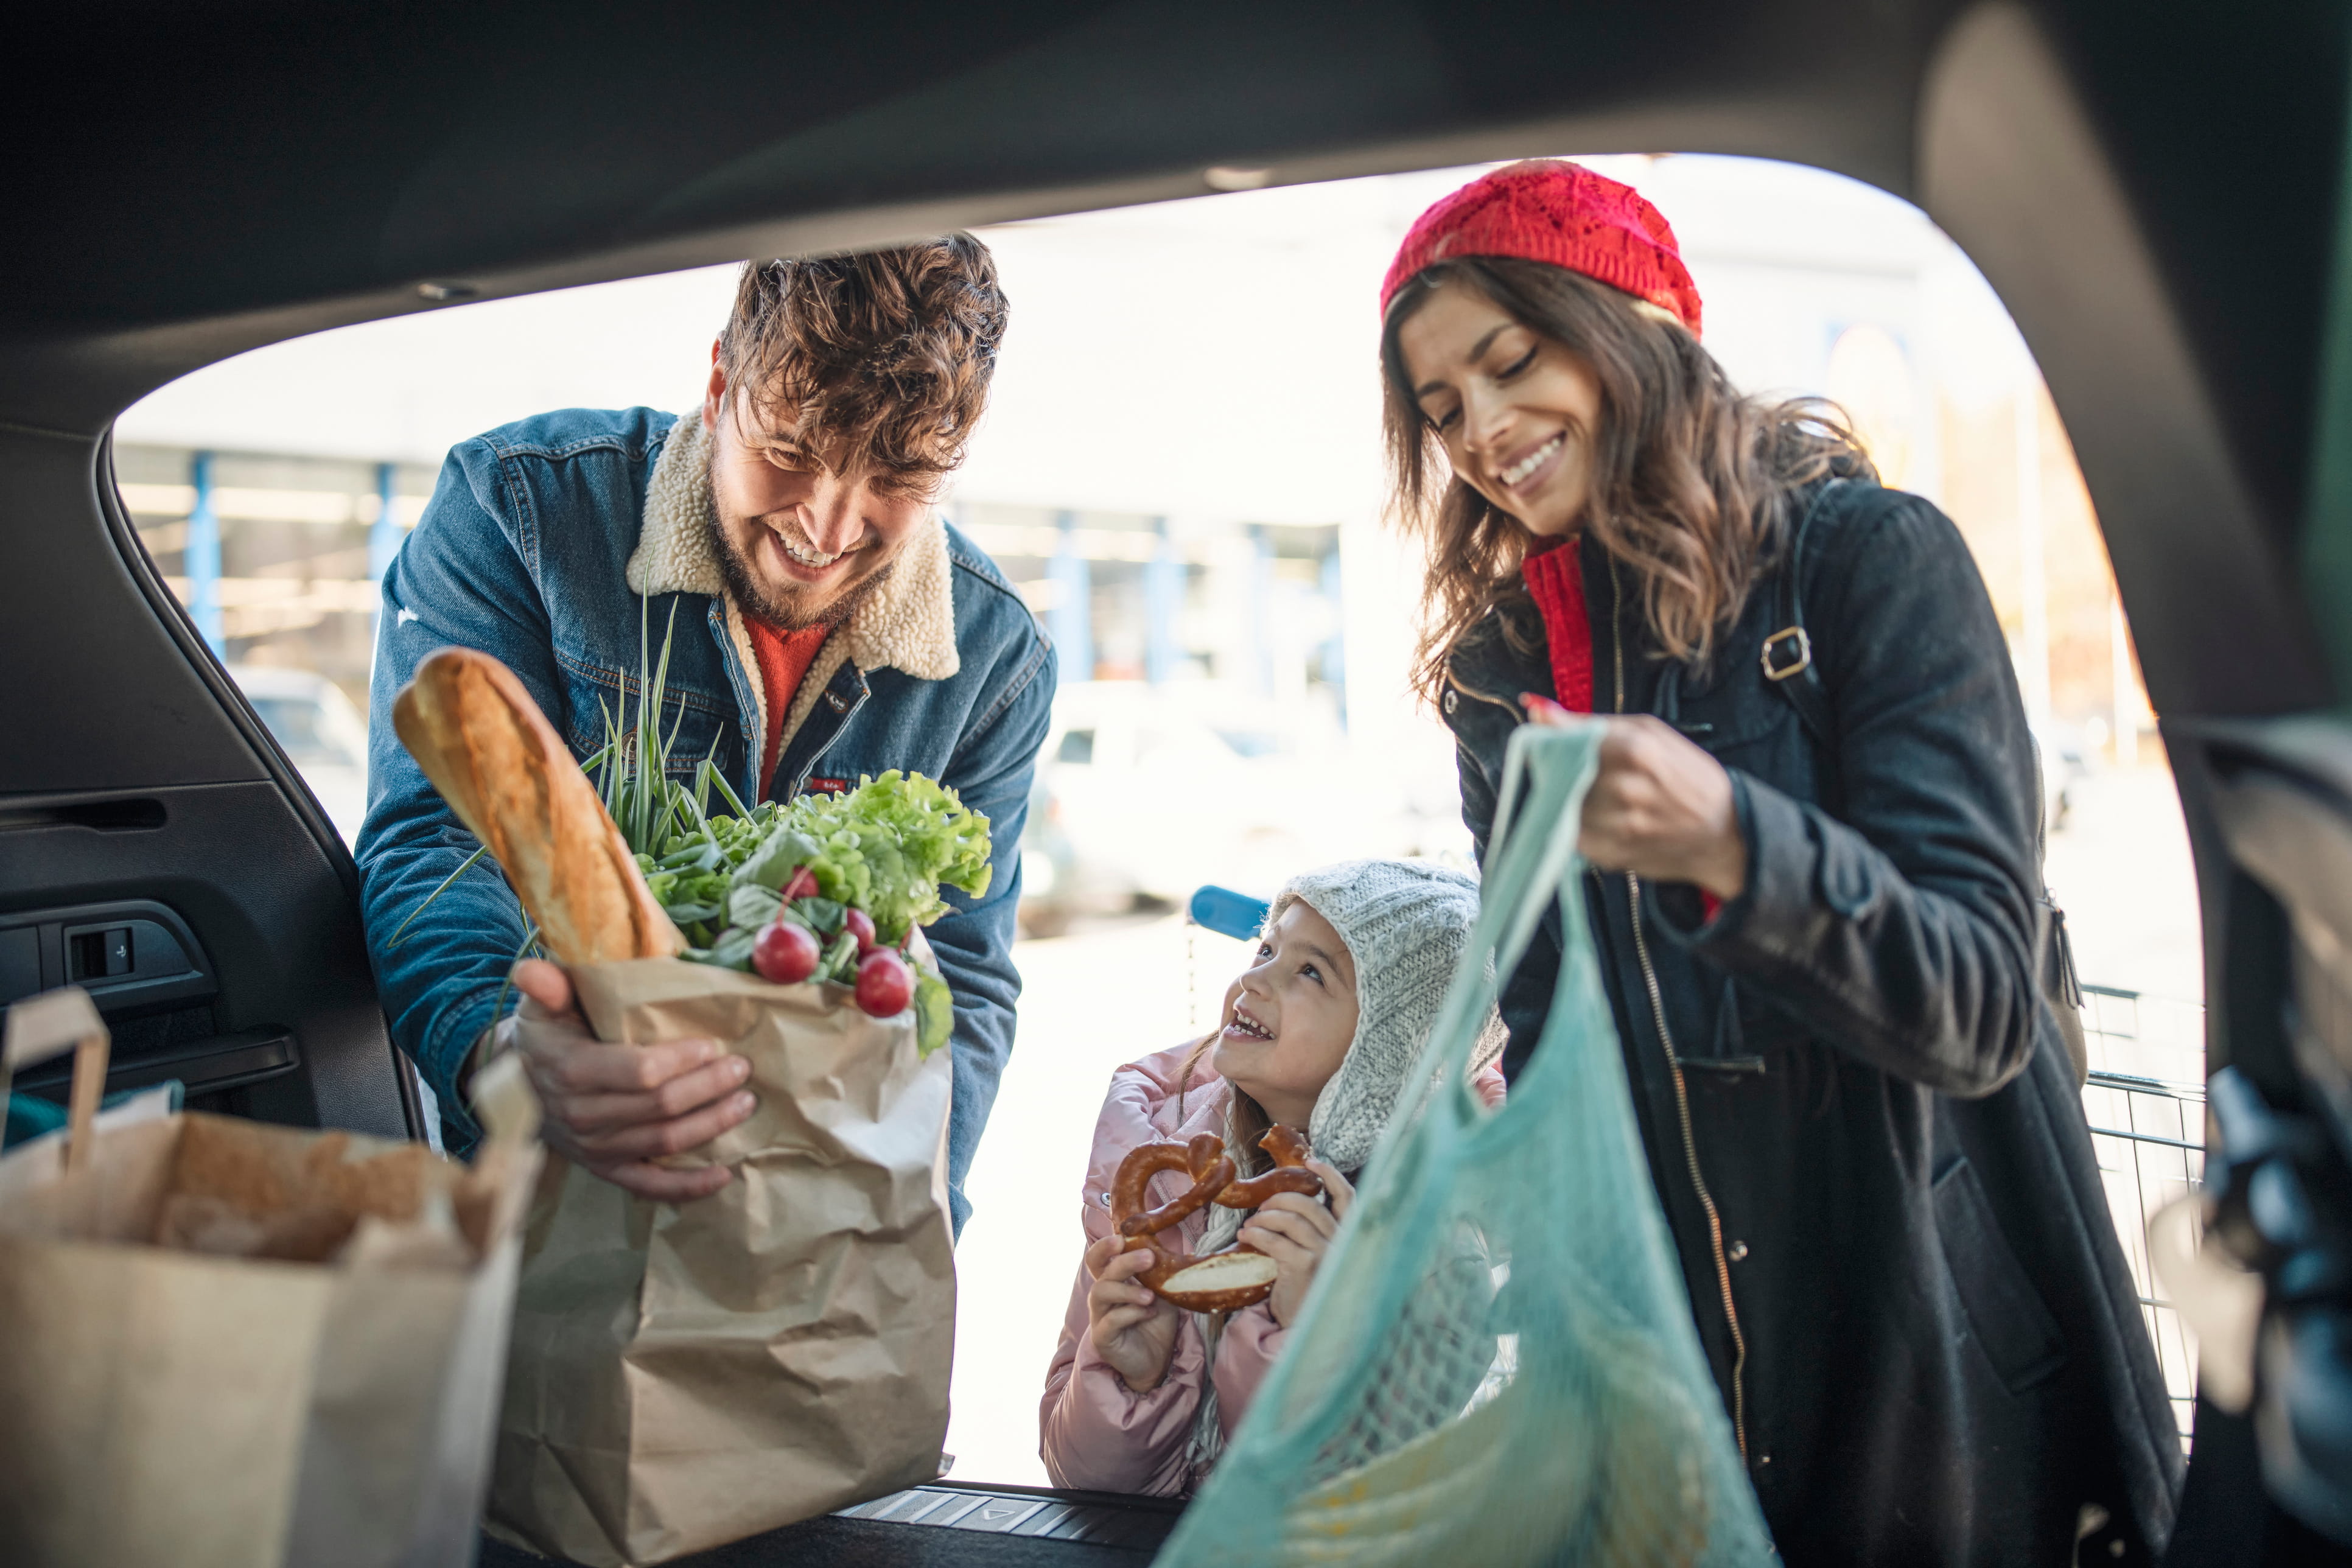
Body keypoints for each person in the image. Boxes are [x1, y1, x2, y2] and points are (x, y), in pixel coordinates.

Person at [1379, 161, 2182, 1564]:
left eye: (1515, 363)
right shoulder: (1506, 673)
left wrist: (1739, 850)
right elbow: (1550, 1018)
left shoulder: (1870, 566)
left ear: (1636, 325)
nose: (1485, 431)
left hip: (1932, 1348)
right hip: (1676, 1365)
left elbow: (1985, 1001)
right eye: (1443, 410)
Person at [358, 237, 1054, 1232]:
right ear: (721, 377)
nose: (824, 523)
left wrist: (902, 1209)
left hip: (819, 1227)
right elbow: (435, 844)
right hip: (542, 1201)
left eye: (895, 476)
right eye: (789, 451)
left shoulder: (998, 660)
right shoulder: (521, 511)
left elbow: (968, 977)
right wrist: (505, 1056)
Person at [1040, 859, 1503, 1497]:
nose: (1253, 977)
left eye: (1310, 971)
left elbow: (1336, 1513)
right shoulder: (1164, 1175)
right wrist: (1133, 1383)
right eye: (1266, 947)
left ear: (1392, 1048)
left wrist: (1306, 1342)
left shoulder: (1434, 1257)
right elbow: (1078, 1483)